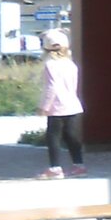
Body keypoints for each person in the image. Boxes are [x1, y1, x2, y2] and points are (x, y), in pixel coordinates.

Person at [37, 29, 86, 179]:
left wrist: (44, 106)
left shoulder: (50, 65)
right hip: (73, 105)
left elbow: (51, 87)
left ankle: (55, 168)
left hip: (57, 107)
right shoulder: (71, 64)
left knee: (53, 137)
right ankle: (79, 166)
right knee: (73, 137)